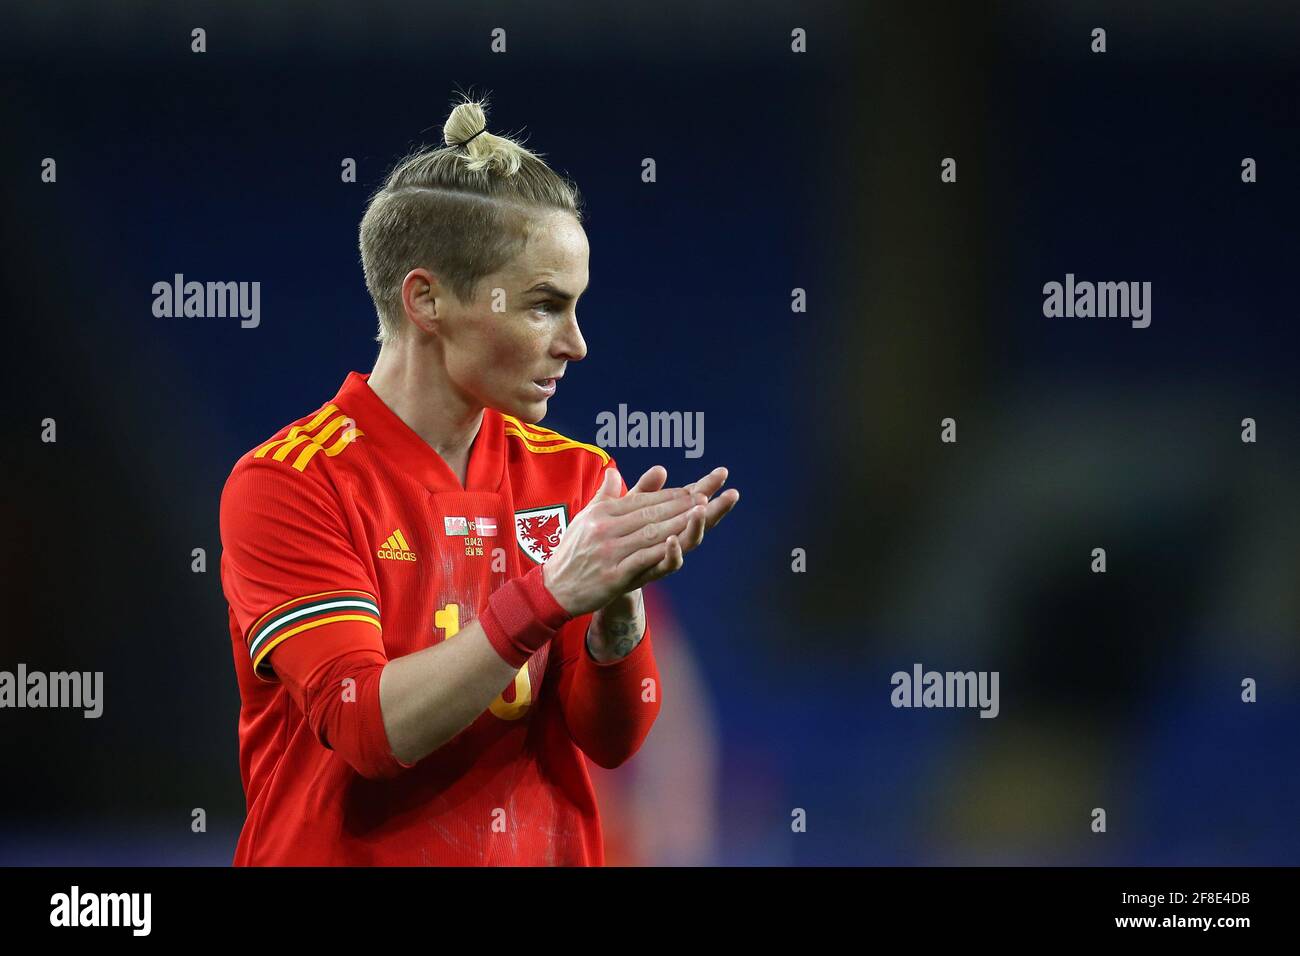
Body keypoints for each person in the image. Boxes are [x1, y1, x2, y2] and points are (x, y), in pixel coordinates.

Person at [218, 93, 739, 865]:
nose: (577, 344)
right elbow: (367, 728)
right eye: (543, 306)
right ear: (427, 299)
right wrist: (550, 594)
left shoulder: (574, 475)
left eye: (576, 307)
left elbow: (613, 742)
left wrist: (617, 609)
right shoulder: (290, 484)